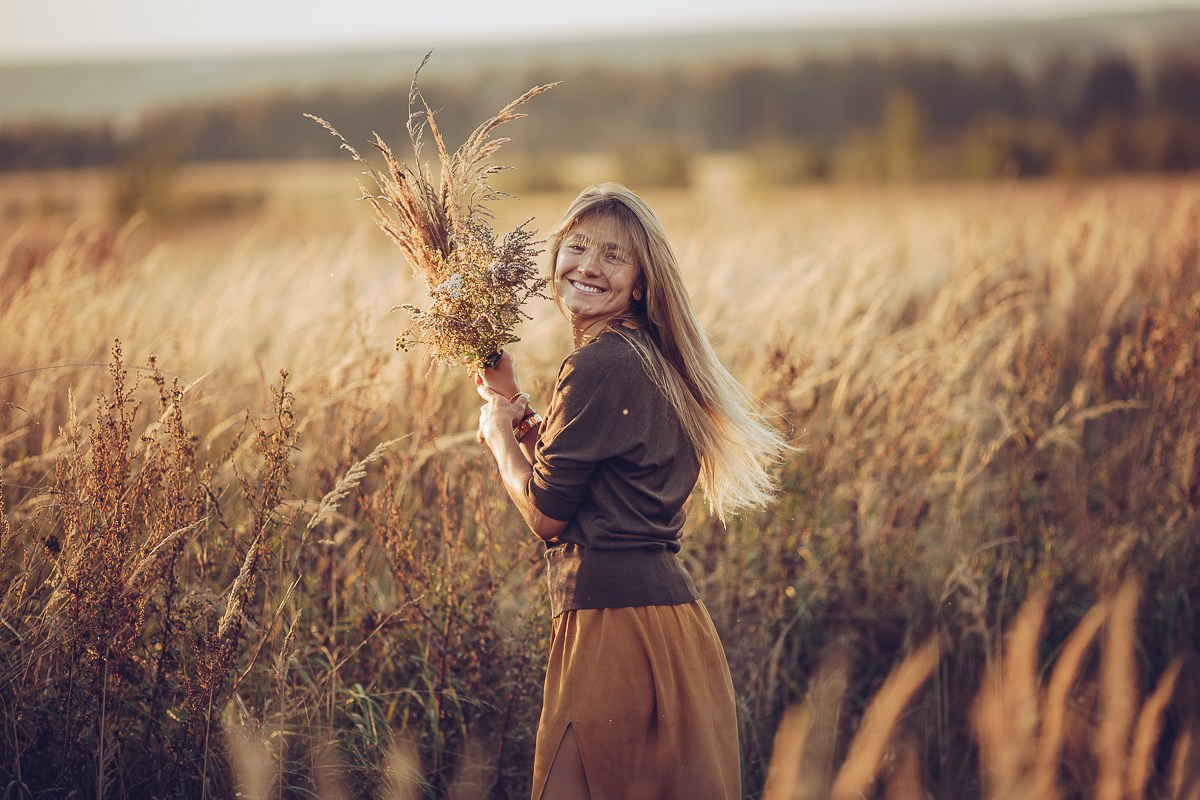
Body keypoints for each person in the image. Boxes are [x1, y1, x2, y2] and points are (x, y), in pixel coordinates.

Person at [475, 183, 787, 800]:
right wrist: (511, 402)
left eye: (614, 256)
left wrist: (497, 437)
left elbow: (546, 516)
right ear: (556, 255)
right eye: (578, 246)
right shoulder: (648, 357)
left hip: (612, 627)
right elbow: (596, 488)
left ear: (642, 280)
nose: (589, 265)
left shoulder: (600, 364)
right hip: (670, 627)